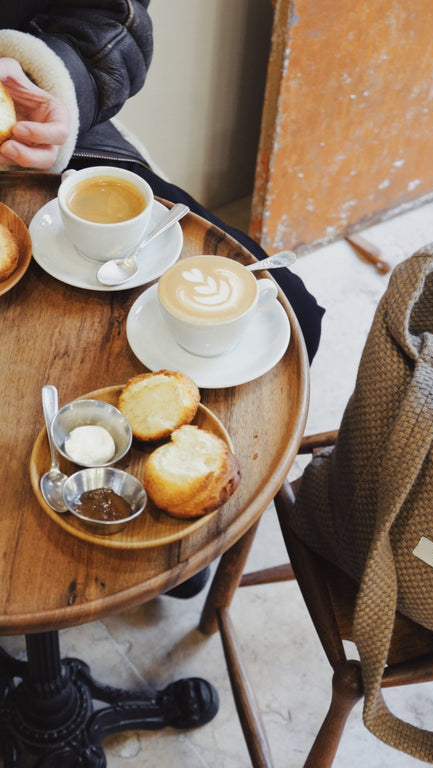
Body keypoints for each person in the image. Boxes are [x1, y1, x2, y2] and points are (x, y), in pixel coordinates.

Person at [0, 2, 324, 598]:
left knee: (292, 307)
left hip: (38, 122)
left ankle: (177, 524)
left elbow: (112, 15)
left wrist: (55, 83)